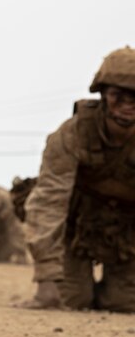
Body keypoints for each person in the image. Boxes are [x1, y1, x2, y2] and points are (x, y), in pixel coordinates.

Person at [21, 46, 135, 312]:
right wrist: (47, 276)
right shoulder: (72, 134)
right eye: (119, 96)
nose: (128, 105)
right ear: (104, 96)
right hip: (78, 225)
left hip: (129, 229)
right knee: (70, 300)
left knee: (124, 304)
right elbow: (48, 203)